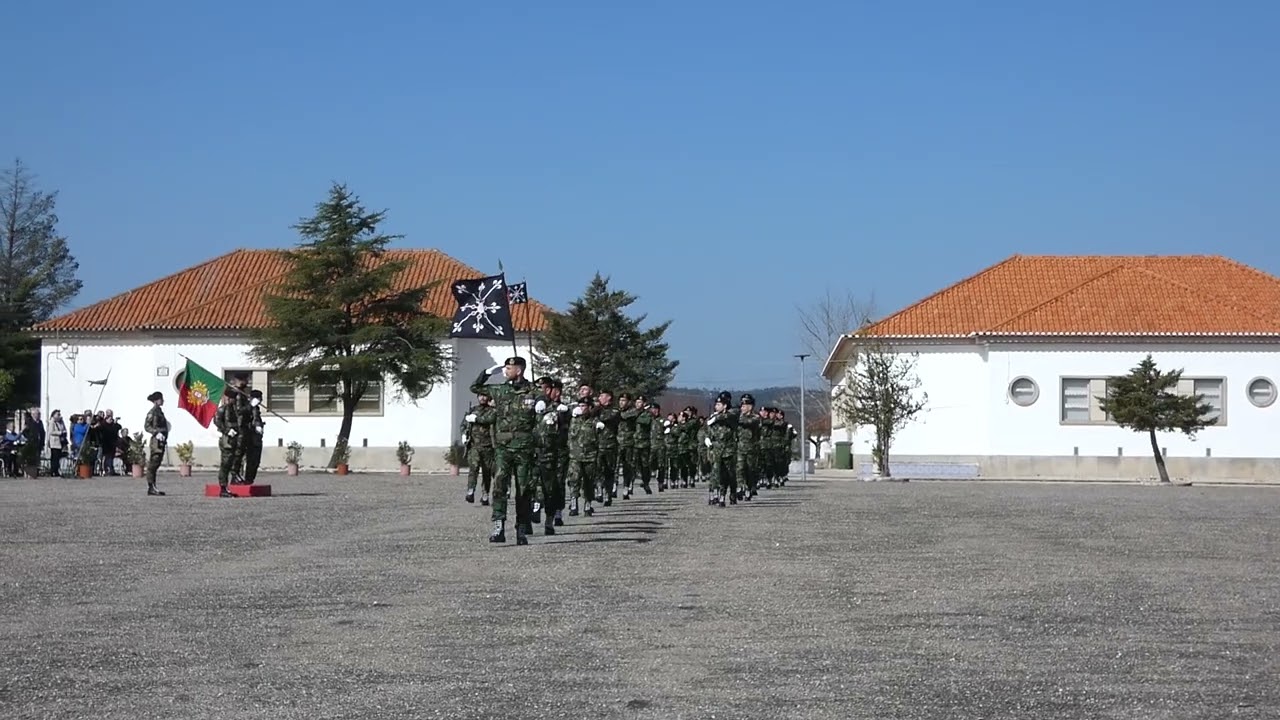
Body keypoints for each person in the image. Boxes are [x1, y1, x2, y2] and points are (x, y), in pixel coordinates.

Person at [471, 356, 538, 545]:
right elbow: (475, 388)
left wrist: (541, 403)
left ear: (519, 370)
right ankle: (498, 526)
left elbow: (544, 399)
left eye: (508, 368)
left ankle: (522, 529)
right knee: (500, 486)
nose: (505, 371)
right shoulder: (500, 390)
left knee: (523, 490)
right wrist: (486, 374)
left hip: (524, 449)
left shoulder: (532, 391)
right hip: (503, 448)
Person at [462, 392, 496, 505]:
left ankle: (485, 494)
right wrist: (464, 434)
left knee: (487, 472)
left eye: (485, 396)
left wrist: (476, 419)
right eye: (480, 396)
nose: (482, 398)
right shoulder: (472, 410)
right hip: (474, 445)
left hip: (488, 446)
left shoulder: (492, 411)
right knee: (473, 468)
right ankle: (470, 491)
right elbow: (464, 424)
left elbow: (489, 420)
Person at [212, 389, 240, 498]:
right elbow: (217, 421)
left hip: (234, 438)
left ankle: (227, 487)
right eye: (232, 398)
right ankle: (223, 487)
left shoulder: (234, 409)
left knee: (231, 463)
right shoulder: (222, 409)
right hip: (227, 439)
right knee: (225, 463)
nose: (233, 400)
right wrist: (227, 431)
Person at [143, 391, 169, 496]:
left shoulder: (159, 411)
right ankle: (151, 487)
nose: (162, 401)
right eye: (161, 399)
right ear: (156, 401)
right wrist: (156, 433)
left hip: (161, 440)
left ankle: (153, 486)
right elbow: (147, 426)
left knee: (157, 463)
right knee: (153, 464)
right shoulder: (153, 412)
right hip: (156, 442)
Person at [242, 389, 265, 483]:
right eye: (259, 398)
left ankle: (249, 480)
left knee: (255, 461)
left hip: (256, 438)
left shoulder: (256, 409)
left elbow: (257, 419)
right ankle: (242, 479)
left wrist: (259, 426)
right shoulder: (246, 407)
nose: (260, 400)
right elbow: (241, 415)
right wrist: (250, 406)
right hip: (247, 437)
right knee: (245, 460)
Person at [47, 409, 68, 477]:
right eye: (58, 414)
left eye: (59, 414)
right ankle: (53, 471)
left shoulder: (61, 422)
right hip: (54, 442)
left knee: (58, 457)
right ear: (54, 415)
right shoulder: (52, 422)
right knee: (54, 458)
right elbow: (51, 432)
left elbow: (64, 429)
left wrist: (64, 432)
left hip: (60, 442)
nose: (59, 416)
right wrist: (59, 433)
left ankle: (56, 471)